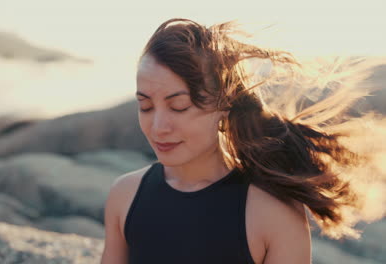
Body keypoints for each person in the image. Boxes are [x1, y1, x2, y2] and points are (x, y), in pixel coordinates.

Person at [100, 18, 372, 264]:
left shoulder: (273, 213)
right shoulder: (125, 195)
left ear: (224, 104)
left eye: (179, 106)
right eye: (145, 106)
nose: (158, 127)